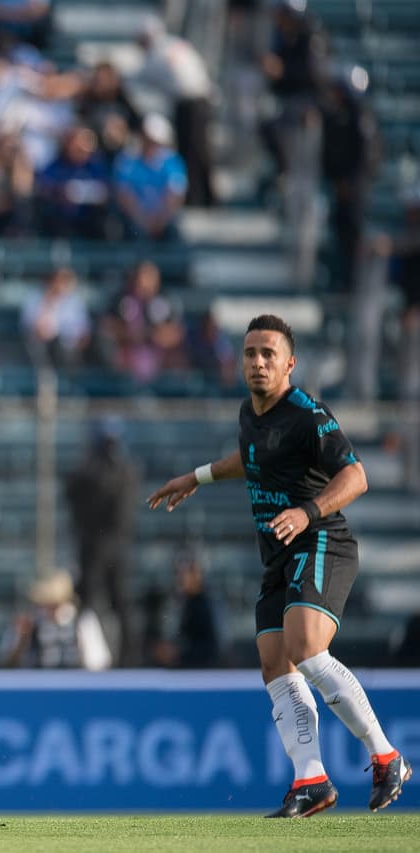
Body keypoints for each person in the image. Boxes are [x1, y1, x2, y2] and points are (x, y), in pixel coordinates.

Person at [147, 314, 411, 818]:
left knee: (307, 649)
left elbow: (356, 476)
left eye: (268, 354)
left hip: (321, 541)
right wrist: (197, 477)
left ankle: (387, 755)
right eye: (250, 353)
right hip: (278, 554)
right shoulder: (251, 414)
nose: (258, 362)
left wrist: (307, 510)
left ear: (289, 363)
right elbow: (250, 458)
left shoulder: (306, 412)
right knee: (275, 663)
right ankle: (310, 778)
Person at [64, 416, 140, 666]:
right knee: (93, 604)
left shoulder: (112, 473)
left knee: (110, 603)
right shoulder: (121, 471)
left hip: (104, 547)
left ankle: (123, 659)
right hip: (102, 548)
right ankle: (92, 657)